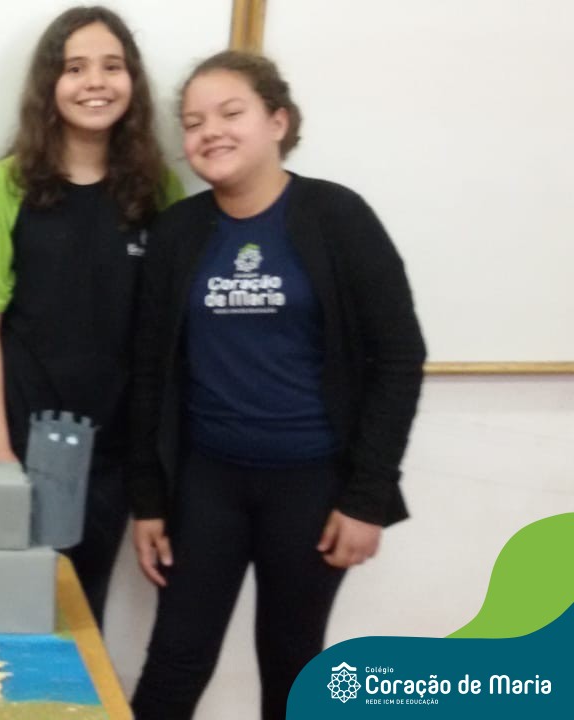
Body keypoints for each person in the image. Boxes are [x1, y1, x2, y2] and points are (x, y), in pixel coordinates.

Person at [128, 50, 426, 719]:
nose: (210, 132)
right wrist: (148, 500)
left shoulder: (338, 217)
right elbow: (150, 373)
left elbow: (399, 358)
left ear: (278, 121)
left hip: (313, 490)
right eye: (194, 122)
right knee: (174, 663)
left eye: (230, 113)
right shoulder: (177, 233)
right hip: (207, 484)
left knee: (294, 669)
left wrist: (367, 498)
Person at [0, 5, 183, 624]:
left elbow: (163, 336)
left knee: (83, 618)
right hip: (24, 447)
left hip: (114, 453)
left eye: (112, 66)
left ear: (132, 81)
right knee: (10, 621)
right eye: (75, 67)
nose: (95, 82)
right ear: (49, 84)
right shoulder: (4, 185)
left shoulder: (158, 190)